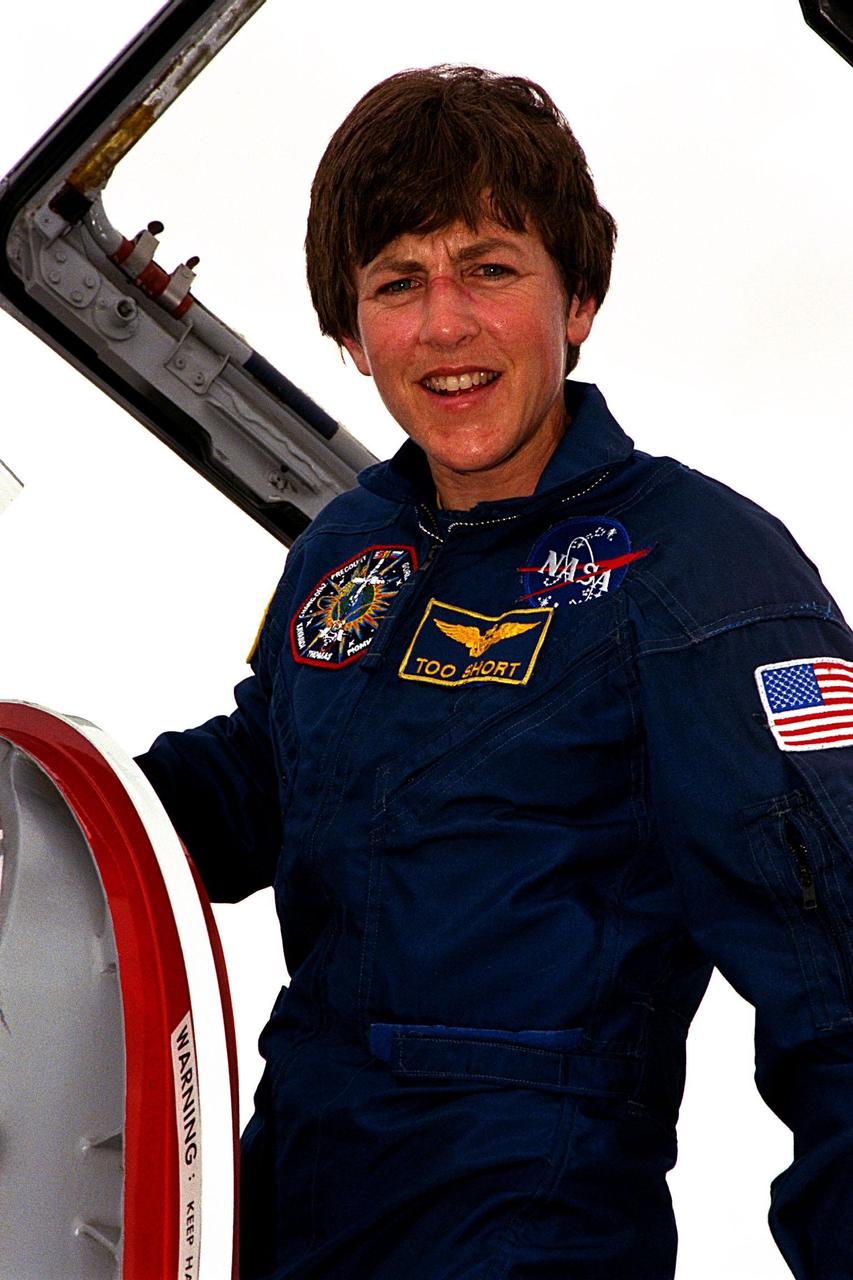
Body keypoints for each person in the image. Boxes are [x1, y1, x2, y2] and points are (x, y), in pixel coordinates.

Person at [137, 66, 853, 1279]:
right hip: (280, 1220)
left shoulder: (700, 576)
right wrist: (59, 801)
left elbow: (838, 982)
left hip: (522, 1236)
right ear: (351, 333)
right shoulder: (351, 546)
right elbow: (266, 769)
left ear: (577, 300)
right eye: (397, 283)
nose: (445, 324)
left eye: (488, 267)